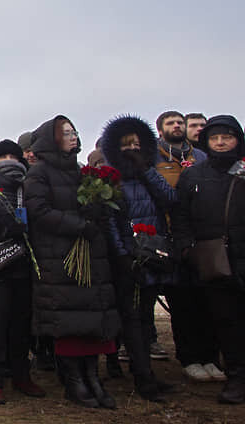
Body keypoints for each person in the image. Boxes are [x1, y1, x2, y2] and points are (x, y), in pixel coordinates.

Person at [25, 115, 120, 409]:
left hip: (88, 254)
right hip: (60, 258)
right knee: (67, 319)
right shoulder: (39, 174)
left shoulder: (82, 172)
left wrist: (96, 210)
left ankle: (92, 377)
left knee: (90, 317)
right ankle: (73, 381)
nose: (73, 137)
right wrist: (79, 226)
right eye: (65, 133)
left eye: (74, 132)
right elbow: (38, 212)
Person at [100, 115, 178, 402]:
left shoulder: (149, 172)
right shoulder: (110, 177)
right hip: (129, 258)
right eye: (125, 144)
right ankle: (143, 378)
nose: (132, 148)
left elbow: (169, 199)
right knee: (132, 318)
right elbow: (109, 220)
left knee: (146, 319)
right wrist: (121, 255)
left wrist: (147, 170)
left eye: (136, 143)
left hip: (154, 253)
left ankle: (146, 372)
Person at [172, 115, 245, 404]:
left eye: (226, 137)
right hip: (214, 259)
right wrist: (187, 248)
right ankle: (238, 376)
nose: (220, 142)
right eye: (214, 138)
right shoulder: (193, 175)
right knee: (226, 322)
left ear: (237, 139)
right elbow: (180, 216)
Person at [0, 139, 45, 405]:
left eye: (14, 155)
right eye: (3, 156)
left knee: (21, 324)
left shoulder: (29, 183)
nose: (9, 160)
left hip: (24, 264)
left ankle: (21, 375)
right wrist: (3, 227)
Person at [152, 111, 220, 382]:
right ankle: (189, 357)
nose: (177, 126)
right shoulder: (154, 157)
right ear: (160, 129)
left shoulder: (201, 157)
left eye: (180, 122)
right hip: (170, 236)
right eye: (171, 123)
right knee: (182, 303)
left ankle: (211, 357)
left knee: (208, 301)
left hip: (203, 236)